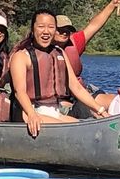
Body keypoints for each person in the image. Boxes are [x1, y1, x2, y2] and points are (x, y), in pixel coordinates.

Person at [9, 9, 111, 137]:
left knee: (90, 128)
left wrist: (100, 110)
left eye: (51, 27)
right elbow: (20, 91)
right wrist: (32, 114)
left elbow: (76, 87)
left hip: (54, 111)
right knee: (79, 132)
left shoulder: (59, 53)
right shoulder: (21, 56)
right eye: (41, 26)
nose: (46, 31)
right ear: (33, 28)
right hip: (28, 112)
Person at [54, 0, 120, 80]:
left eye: (67, 30)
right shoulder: (40, 46)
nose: (64, 33)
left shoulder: (74, 42)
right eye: (60, 30)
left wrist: (112, 4)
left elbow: (94, 26)